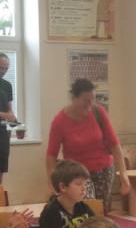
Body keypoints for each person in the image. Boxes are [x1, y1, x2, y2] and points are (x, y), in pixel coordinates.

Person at [46, 78, 130, 213]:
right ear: (74, 98)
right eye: (85, 100)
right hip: (77, 174)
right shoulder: (60, 121)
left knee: (102, 211)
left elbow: (115, 145)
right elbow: (51, 155)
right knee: (85, 209)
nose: (90, 104)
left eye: (93, 99)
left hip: (103, 170)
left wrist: (123, 175)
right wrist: (52, 183)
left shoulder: (99, 112)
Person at [39, 159, 96, 228]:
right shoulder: (51, 212)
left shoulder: (84, 208)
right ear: (63, 187)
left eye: (85, 184)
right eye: (78, 184)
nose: (84, 188)